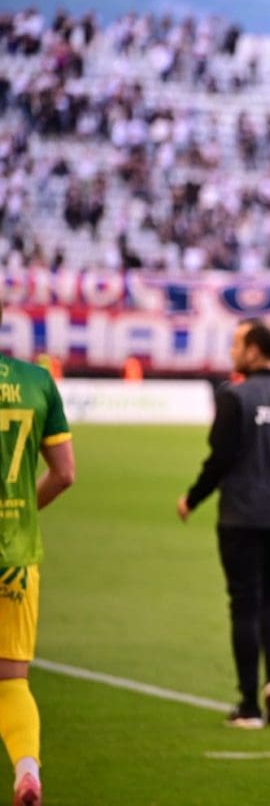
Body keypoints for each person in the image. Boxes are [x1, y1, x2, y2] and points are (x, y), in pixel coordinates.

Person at [177, 317, 270, 728]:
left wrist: (192, 498)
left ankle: (249, 706)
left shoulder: (234, 397)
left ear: (254, 350)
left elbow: (219, 459)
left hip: (243, 516)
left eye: (237, 343)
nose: (232, 350)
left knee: (244, 603)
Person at [0, 308, 76, 806]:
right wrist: (23, 512)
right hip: (17, 554)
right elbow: (64, 473)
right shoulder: (36, 381)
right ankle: (27, 770)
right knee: (11, 681)